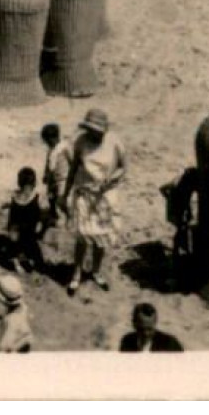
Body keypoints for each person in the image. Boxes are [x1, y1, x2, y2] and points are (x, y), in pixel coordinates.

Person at [62, 108, 126, 295]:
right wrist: (65, 194)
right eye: (89, 129)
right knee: (82, 237)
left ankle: (96, 271)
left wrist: (110, 180)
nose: (92, 133)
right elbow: (73, 169)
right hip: (84, 193)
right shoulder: (80, 142)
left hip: (105, 196)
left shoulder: (115, 142)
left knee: (101, 239)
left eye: (95, 130)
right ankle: (76, 274)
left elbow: (123, 168)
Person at [4, 167, 47, 274]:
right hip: (21, 228)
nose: (27, 190)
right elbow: (13, 215)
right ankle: (17, 262)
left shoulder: (34, 196)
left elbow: (43, 212)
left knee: (29, 247)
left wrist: (40, 223)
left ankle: (28, 260)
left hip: (27, 228)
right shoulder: (19, 196)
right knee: (16, 245)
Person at [0, 277, 33, 353]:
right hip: (24, 337)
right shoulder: (22, 306)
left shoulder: (10, 323)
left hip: (16, 346)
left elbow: (4, 348)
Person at [119, 303, 185, 352]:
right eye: (141, 329)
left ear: (155, 323)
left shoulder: (170, 344)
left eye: (149, 329)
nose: (146, 334)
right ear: (134, 323)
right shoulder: (127, 342)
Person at [41, 123, 72, 221]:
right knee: (51, 197)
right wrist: (45, 174)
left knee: (61, 198)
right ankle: (53, 215)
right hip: (52, 179)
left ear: (54, 138)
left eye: (48, 141)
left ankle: (69, 216)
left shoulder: (65, 147)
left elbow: (72, 161)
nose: (48, 144)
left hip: (63, 178)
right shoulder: (51, 150)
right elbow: (48, 163)